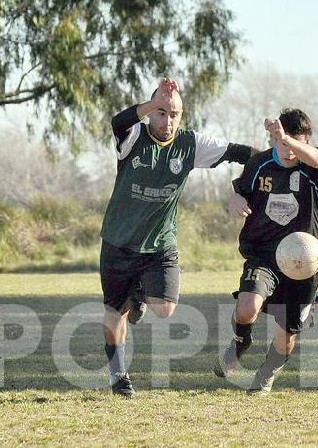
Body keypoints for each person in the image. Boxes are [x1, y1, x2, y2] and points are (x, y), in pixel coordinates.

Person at [99, 78, 259, 397]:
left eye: (174, 114)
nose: (167, 121)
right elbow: (118, 122)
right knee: (114, 311)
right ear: (150, 113)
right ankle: (119, 377)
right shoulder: (133, 137)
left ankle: (141, 294)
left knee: (166, 308)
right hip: (118, 242)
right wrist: (151, 104)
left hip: (160, 244)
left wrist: (247, 186)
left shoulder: (191, 144)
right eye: (161, 113)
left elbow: (246, 154)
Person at [213, 108, 318, 394]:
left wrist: (289, 141)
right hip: (264, 254)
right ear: (273, 140)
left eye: (295, 144)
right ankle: (241, 342)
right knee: (246, 309)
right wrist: (234, 202)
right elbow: (239, 193)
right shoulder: (259, 164)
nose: (288, 151)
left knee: (288, 332)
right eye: (282, 143)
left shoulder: (311, 166)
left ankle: (266, 375)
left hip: (305, 263)